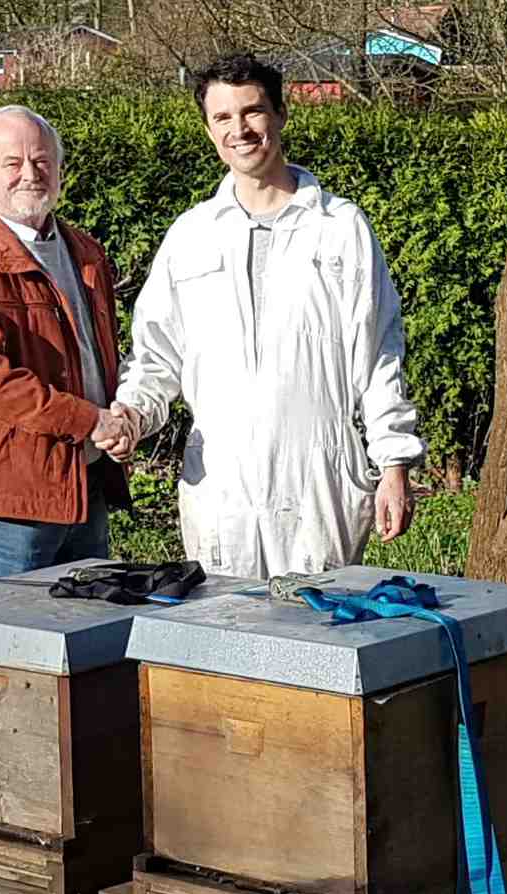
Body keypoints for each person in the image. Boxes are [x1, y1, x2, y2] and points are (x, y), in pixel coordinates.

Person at [109, 54, 425, 580]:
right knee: (223, 636)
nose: (240, 130)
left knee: (316, 634)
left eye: (252, 112)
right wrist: (132, 415)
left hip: (318, 474)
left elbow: (377, 353)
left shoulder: (339, 228)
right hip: (220, 479)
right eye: (223, 118)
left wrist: (393, 464)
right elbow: (157, 355)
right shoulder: (191, 236)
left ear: (280, 114)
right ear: (208, 128)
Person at [0, 104, 138, 583]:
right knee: (6, 647)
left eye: (41, 161)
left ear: (59, 168)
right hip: (13, 496)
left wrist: (119, 419)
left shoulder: (85, 250)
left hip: (86, 480)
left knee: (89, 642)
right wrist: (88, 421)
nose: (30, 175)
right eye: (12, 163)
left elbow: (98, 358)